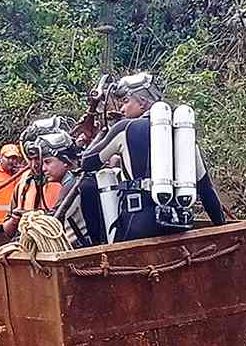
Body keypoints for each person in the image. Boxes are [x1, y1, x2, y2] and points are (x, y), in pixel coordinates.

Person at [78, 74, 226, 241]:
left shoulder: (124, 129)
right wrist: (222, 226)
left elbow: (87, 163)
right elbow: (206, 190)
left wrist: (98, 136)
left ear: (142, 102)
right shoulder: (183, 134)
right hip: (178, 224)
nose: (121, 109)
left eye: (126, 102)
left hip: (137, 225)